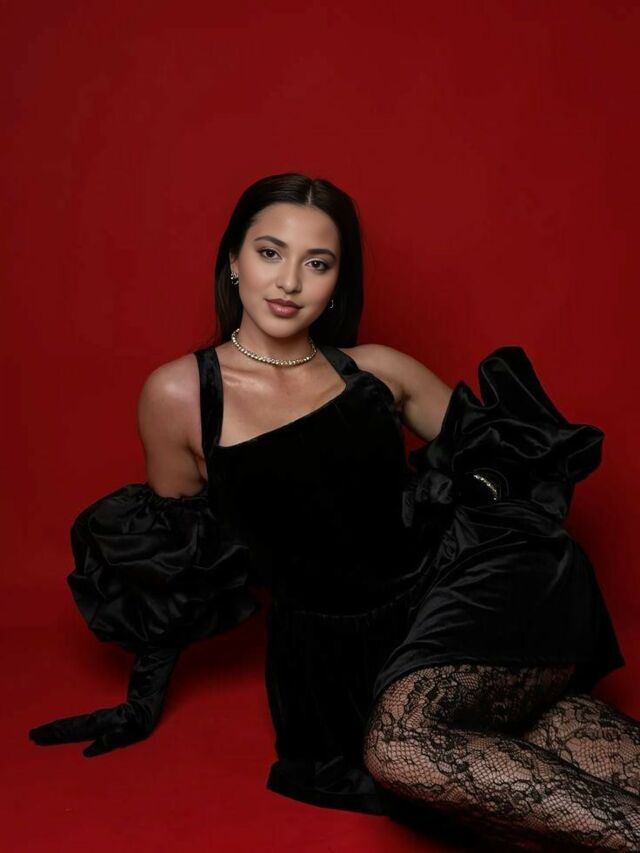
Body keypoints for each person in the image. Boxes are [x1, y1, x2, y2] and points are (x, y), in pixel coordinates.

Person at [29, 172, 640, 850]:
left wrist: (474, 501)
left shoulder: (378, 371)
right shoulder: (179, 395)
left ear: (337, 280)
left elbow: (511, 452)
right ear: (233, 261)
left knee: (406, 748)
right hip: (327, 668)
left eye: (317, 263)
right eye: (270, 253)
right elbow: (174, 564)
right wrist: (142, 702)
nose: (290, 281)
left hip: (457, 603)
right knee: (540, 735)